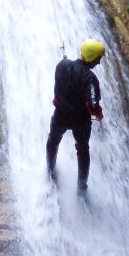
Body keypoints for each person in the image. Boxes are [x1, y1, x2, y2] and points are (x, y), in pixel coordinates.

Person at [46, 38, 105, 193]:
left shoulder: (62, 65)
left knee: (53, 141)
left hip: (61, 115)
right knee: (83, 149)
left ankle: (50, 169)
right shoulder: (90, 79)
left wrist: (58, 99)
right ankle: (81, 186)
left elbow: (58, 85)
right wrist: (98, 113)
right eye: (98, 59)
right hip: (81, 121)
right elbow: (92, 105)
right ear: (92, 58)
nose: (98, 63)